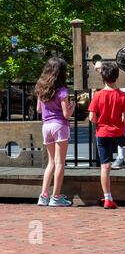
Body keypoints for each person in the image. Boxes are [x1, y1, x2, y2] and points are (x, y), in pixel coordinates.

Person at [88, 61, 125, 209]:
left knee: (105, 166)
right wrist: (119, 124)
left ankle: (107, 198)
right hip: (118, 132)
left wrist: (102, 122)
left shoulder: (97, 95)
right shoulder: (122, 95)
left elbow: (91, 118)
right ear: (117, 77)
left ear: (102, 78)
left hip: (102, 134)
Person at [35, 57, 75, 207]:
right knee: (60, 163)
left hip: (46, 126)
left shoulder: (41, 87)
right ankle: (56, 197)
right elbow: (66, 115)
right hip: (59, 126)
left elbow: (39, 109)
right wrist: (72, 107)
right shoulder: (62, 91)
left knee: (50, 162)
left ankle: (43, 195)